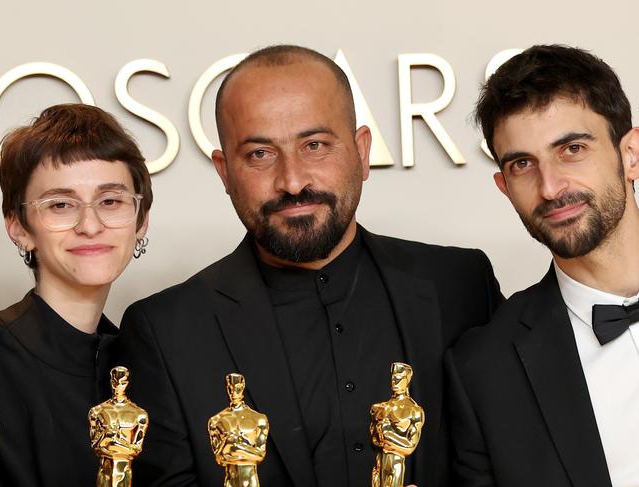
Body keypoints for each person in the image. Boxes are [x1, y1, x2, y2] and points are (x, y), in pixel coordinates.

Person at [116, 44, 502, 487]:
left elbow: (516, 459)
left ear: (361, 151)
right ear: (224, 172)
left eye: (315, 145)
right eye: (260, 154)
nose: (293, 181)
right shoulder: (164, 331)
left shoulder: (461, 286)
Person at [446, 44, 639, 487]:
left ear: (631, 155)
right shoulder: (482, 370)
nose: (550, 187)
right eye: (522, 164)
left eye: (572, 148)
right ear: (503, 186)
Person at [0, 103, 152, 486]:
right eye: (60, 205)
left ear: (141, 220)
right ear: (19, 226)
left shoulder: (152, 361)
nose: (90, 225)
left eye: (110, 201)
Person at [89, 366, 149, 487]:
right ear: (111, 382)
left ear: (127, 383)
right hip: (105, 471)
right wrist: (108, 438)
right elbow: (95, 447)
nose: (117, 387)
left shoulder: (139, 414)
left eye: (122, 383)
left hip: (124, 471)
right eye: (114, 382)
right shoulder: (97, 411)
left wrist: (112, 441)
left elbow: (136, 449)